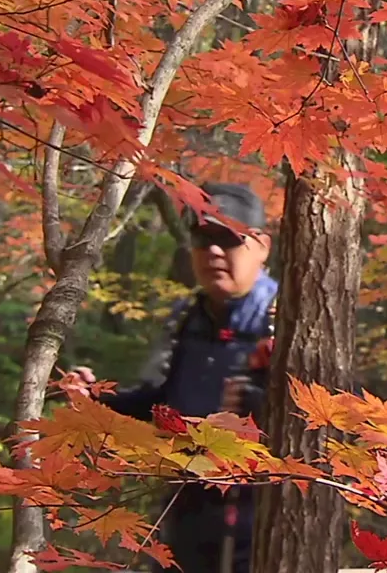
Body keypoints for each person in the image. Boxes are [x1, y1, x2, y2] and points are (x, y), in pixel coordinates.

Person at [81, 181, 278, 573]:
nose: (215, 252)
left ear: (261, 246)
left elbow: (326, 430)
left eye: (229, 238)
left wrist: (263, 408)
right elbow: (164, 404)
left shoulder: (290, 323)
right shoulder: (190, 318)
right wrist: (96, 400)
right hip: (184, 514)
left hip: (259, 523)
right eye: (203, 239)